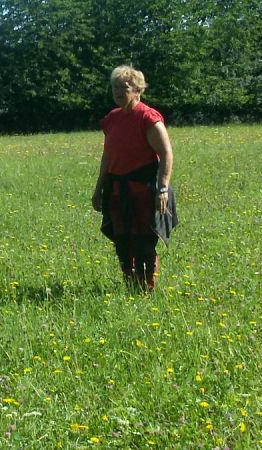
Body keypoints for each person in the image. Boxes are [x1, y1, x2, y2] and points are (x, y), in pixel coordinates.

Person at [92, 65, 178, 291]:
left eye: (124, 87)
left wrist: (162, 189)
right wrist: (99, 188)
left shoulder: (148, 117)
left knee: (143, 241)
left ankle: (146, 288)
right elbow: (108, 156)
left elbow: (166, 153)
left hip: (144, 189)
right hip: (117, 189)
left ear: (138, 90)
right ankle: (130, 285)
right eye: (115, 87)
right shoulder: (112, 118)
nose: (118, 92)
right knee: (122, 241)